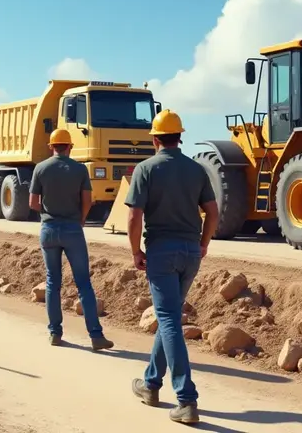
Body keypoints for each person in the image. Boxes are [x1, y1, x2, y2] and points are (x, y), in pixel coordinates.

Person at [124, 109, 219, 425]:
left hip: (161, 253)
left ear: (154, 139)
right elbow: (213, 212)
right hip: (191, 252)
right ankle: (151, 385)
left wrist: (136, 250)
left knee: (168, 320)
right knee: (169, 318)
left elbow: (134, 217)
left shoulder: (145, 169)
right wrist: (203, 244)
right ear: (180, 137)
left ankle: (186, 400)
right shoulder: (196, 169)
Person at [28, 129, 114, 351]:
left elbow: (33, 203)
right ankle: (95, 336)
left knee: (52, 282)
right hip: (73, 229)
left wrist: (47, 215)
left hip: (49, 229)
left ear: (51, 146)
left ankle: (55, 333)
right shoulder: (79, 169)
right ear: (70, 147)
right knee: (83, 283)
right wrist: (81, 219)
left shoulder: (41, 168)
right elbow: (87, 199)